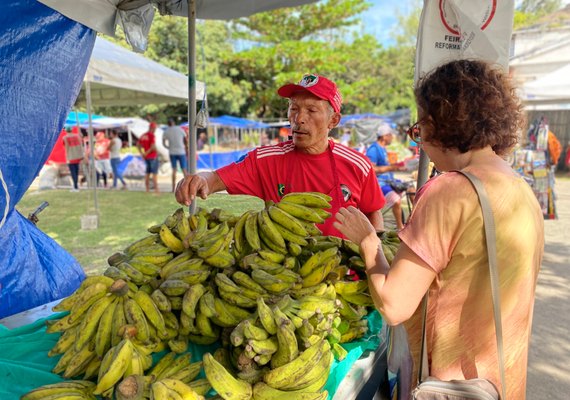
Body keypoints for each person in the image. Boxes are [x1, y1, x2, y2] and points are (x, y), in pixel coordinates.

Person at [333, 59, 544, 399]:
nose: (420, 144)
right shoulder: (519, 189)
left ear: (443, 122)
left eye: (420, 129)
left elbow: (393, 304)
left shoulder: (449, 190)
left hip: (451, 385)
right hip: (501, 383)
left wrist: (367, 240)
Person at [175, 73, 385, 236]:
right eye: (294, 109)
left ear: (333, 121)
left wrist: (373, 258)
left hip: (343, 277)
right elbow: (215, 179)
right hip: (283, 276)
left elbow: (373, 212)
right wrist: (199, 180)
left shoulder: (358, 165)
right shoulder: (266, 160)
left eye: (311, 110)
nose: (299, 119)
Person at [366, 123, 408, 230]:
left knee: (412, 189)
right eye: (390, 135)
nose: (392, 137)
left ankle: (413, 219)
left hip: (390, 180)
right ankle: (400, 228)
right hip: (379, 183)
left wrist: (397, 167)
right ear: (384, 136)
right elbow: (372, 169)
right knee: (396, 200)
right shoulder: (373, 150)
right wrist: (392, 167)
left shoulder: (383, 148)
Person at [163, 118, 188, 192]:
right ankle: (187, 187)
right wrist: (186, 147)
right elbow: (185, 139)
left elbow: (163, 142)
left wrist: (167, 147)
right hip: (181, 152)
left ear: (168, 124)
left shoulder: (167, 131)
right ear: (174, 123)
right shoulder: (180, 129)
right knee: (184, 170)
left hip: (172, 152)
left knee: (174, 170)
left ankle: (172, 188)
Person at [137, 122, 160, 194]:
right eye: (155, 128)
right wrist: (146, 153)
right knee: (154, 173)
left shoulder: (143, 135)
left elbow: (138, 145)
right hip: (153, 156)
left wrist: (142, 154)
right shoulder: (152, 135)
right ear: (152, 128)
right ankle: (156, 190)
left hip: (146, 157)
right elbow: (153, 147)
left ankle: (147, 189)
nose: (155, 130)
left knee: (147, 173)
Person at [62, 126, 83, 192]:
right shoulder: (77, 136)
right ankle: (76, 185)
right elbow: (81, 144)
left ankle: (75, 187)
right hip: (77, 156)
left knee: (73, 172)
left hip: (71, 157)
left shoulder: (65, 137)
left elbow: (66, 147)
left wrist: (67, 157)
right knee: (76, 171)